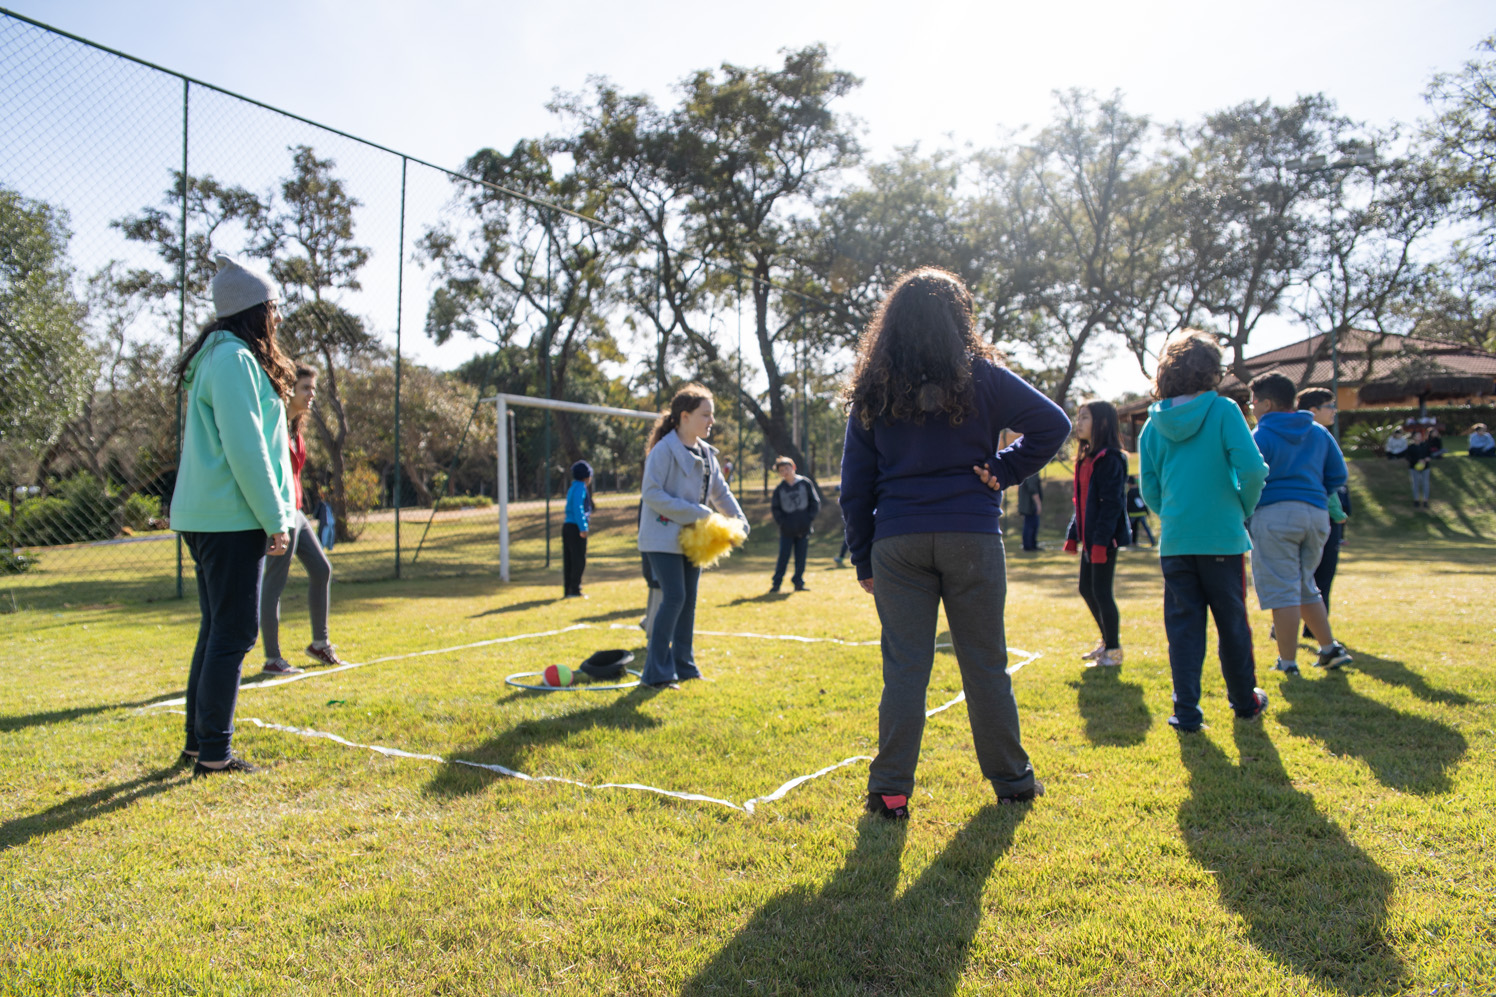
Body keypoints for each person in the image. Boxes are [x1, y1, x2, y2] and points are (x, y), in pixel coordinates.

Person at [840, 267, 1070, 819]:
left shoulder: (874, 387)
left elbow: (855, 485)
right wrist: (1006, 470)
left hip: (897, 542)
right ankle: (1013, 784)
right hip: (972, 538)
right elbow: (1054, 424)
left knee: (905, 669)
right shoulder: (984, 376)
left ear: (892, 322)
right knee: (986, 664)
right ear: (959, 318)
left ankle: (889, 791)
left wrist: (862, 555)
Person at [169, 255, 297, 776]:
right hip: (231, 518)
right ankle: (214, 753)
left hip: (211, 516)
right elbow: (247, 448)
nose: (278, 316)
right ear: (255, 310)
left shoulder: (219, 356)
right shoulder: (234, 360)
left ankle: (199, 746)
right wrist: (275, 517)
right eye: (274, 306)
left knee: (217, 630)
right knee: (235, 633)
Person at [1138, 331, 1270, 733]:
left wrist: (1173, 515)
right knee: (1232, 624)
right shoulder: (1224, 410)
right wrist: (1241, 507)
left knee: (1183, 629)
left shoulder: (1152, 424)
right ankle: (1244, 702)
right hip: (1222, 537)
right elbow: (1253, 469)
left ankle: (1186, 712)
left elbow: (1149, 488)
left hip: (1177, 539)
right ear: (1213, 370)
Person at [637, 384, 748, 689]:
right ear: (684, 416)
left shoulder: (707, 453)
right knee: (674, 597)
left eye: (712, 414)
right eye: (705, 414)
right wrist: (697, 512)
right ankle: (655, 673)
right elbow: (651, 493)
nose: (711, 420)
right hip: (661, 540)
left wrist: (739, 522)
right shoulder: (663, 450)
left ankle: (684, 666)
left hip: (693, 541)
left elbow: (721, 493)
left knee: (688, 601)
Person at [1248, 372, 1353, 676]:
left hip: (1275, 514)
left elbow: (1249, 474)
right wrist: (1315, 494)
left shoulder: (1260, 435)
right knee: (1306, 585)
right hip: (1317, 514)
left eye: (1253, 402)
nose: (1251, 408)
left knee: (1283, 590)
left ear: (1267, 403)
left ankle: (1288, 662)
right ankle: (1329, 649)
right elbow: (1338, 474)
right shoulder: (1318, 432)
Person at [259, 364, 344, 676]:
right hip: (280, 513)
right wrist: (274, 518)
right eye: (306, 388)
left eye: (313, 388)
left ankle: (319, 644)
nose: (311, 394)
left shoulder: (295, 427)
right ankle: (273, 658)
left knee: (321, 569)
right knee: (274, 583)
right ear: (289, 389)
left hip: (296, 511)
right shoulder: (274, 422)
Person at [1064, 401, 1132, 667]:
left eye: (1084, 418)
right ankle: (1107, 641)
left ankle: (1113, 651)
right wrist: (1073, 534)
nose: (1078, 423)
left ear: (1102, 423)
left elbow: (1112, 504)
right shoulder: (1085, 458)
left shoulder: (1111, 459)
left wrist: (1102, 543)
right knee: (1086, 588)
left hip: (1104, 540)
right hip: (1090, 539)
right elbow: (1081, 503)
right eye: (1078, 417)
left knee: (1102, 592)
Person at [1296, 388, 1350, 633]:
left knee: (1301, 576)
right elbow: (1334, 478)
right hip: (1320, 515)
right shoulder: (1317, 437)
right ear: (1313, 410)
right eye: (1329, 406)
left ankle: (1294, 625)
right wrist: (1336, 513)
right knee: (1320, 576)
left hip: (1299, 515)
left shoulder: (1299, 436)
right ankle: (1315, 630)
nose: (1334, 411)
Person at [769, 456, 821, 592]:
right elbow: (775, 509)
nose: (785, 472)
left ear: (793, 468)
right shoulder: (780, 489)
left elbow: (814, 502)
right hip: (787, 530)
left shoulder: (805, 483)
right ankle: (776, 584)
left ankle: (798, 582)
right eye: (781, 470)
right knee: (783, 557)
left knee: (801, 557)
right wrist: (782, 523)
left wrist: (809, 519)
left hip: (804, 528)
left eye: (787, 468)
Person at [562, 460, 593, 598]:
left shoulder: (572, 487)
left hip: (567, 526)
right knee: (578, 559)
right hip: (576, 527)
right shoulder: (581, 487)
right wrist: (583, 527)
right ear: (587, 476)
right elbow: (578, 508)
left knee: (569, 559)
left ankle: (568, 589)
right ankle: (575, 589)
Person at [1405, 427, 1434, 510]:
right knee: (1415, 484)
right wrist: (1417, 460)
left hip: (1425, 467)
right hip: (1414, 468)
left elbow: (1430, 454)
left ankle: (1425, 501)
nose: (1419, 437)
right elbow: (1408, 457)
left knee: (1425, 483)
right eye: (1417, 436)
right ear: (1413, 437)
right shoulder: (1411, 447)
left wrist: (1427, 459)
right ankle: (1416, 500)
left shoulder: (1425, 445)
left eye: (1420, 435)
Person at [1016, 472, 1044, 551]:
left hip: (1029, 503)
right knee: (1030, 525)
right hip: (1029, 504)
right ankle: (1028, 545)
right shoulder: (1032, 472)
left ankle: (1032, 544)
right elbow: (1032, 488)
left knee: (1033, 524)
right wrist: (1038, 503)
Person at [1126, 475, 1155, 547]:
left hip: (1133, 514)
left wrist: (1127, 513)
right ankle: (1152, 541)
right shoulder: (1139, 491)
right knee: (1146, 528)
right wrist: (1147, 511)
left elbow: (1128, 504)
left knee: (1131, 528)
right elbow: (1144, 502)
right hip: (1142, 512)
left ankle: (1130, 542)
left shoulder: (1130, 492)